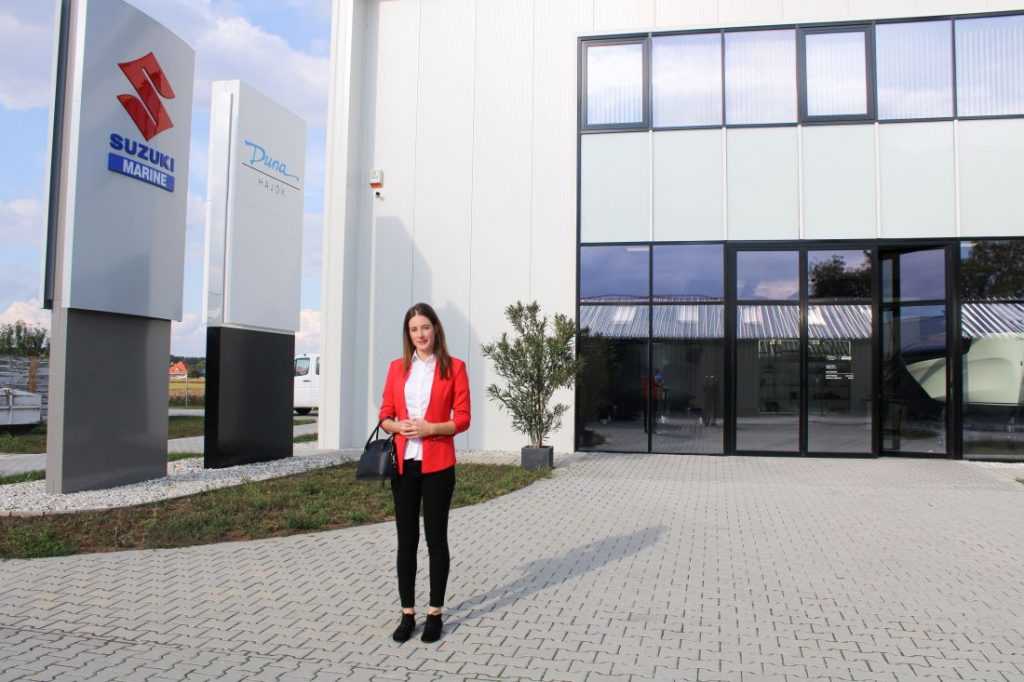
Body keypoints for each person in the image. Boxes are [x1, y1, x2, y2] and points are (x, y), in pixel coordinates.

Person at [378, 302, 471, 643]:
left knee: (436, 540)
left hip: (438, 466)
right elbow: (384, 415)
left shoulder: (455, 368)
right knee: (406, 541)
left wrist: (431, 428)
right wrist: (397, 426)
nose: (420, 334)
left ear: (436, 329)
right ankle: (407, 614)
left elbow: (463, 418)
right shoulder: (396, 368)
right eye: (414, 329)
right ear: (409, 334)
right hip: (404, 466)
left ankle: (434, 613)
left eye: (425, 327)